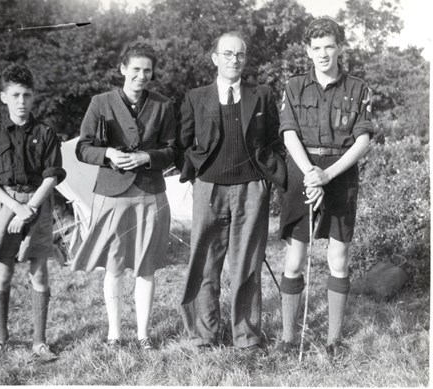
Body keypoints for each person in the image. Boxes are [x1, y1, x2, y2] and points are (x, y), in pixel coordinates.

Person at [176, 32, 286, 353]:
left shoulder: (261, 95)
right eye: (227, 54)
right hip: (209, 189)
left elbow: (274, 141)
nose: (233, 60)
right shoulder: (196, 97)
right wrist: (197, 171)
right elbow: (183, 142)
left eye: (239, 55)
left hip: (252, 188)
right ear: (215, 58)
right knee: (205, 262)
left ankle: (247, 336)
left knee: (247, 264)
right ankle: (204, 334)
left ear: (245, 59)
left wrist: (269, 178)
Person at [277, 18, 373, 361]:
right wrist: (310, 174)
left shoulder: (359, 88)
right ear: (307, 51)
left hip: (340, 174)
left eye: (329, 46)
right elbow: (288, 134)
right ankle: (288, 337)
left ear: (340, 47)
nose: (322, 54)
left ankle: (334, 340)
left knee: (338, 256)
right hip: (302, 172)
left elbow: (362, 141)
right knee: (295, 256)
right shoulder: (294, 86)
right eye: (315, 48)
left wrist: (326, 176)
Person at [72, 42, 176, 350]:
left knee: (146, 267)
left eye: (147, 71)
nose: (141, 76)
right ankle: (114, 334)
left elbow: (173, 150)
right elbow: (82, 147)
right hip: (112, 193)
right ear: (122, 69)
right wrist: (108, 155)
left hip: (150, 192)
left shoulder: (163, 105)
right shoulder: (100, 102)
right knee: (114, 266)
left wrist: (147, 158)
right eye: (135, 70)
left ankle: (144, 334)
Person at [0, 63, 66, 360]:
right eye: (15, 95)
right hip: (6, 206)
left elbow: (52, 176)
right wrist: (15, 207)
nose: (21, 101)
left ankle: (39, 341)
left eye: (27, 95)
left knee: (39, 273)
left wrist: (29, 208)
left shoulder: (46, 132)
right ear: (4, 97)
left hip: (38, 206)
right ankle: (1, 339)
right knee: (3, 273)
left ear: (33, 96)